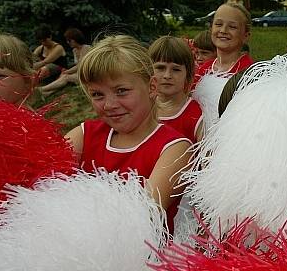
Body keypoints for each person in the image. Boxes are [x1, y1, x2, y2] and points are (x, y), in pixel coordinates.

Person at [64, 35, 192, 233]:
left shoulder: (175, 149)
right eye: (97, 94)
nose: (109, 105)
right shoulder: (84, 134)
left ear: (151, 87)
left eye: (121, 91)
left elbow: (142, 217)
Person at [148, 36, 204, 143]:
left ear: (188, 74)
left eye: (176, 69)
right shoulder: (141, 108)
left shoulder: (195, 114)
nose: (167, 75)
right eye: (160, 68)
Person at [195, 3, 253, 80]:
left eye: (232, 27)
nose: (223, 30)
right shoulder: (203, 69)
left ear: (245, 36)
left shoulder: (250, 72)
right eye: (218, 24)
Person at [39, 28, 90, 97]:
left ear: (75, 39)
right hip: (80, 73)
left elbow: (80, 66)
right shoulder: (74, 50)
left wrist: (68, 71)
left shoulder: (86, 48)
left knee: (66, 76)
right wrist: (67, 71)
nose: (68, 42)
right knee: (64, 76)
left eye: (69, 40)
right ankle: (48, 92)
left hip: (88, 75)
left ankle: (41, 89)